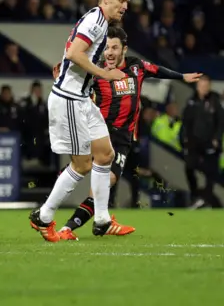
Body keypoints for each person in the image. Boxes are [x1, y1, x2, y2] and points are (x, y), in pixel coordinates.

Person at [55, 26, 202, 240]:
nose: (110, 53)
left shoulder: (137, 67)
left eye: (114, 47)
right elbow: (74, 85)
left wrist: (182, 77)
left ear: (124, 48)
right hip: (99, 134)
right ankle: (60, 220)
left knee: (105, 185)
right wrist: (61, 78)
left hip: (123, 139)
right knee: (90, 177)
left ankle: (82, 226)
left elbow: (158, 70)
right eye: (106, 48)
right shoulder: (97, 72)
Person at [29, 0, 133, 242]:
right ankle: (43, 216)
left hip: (82, 98)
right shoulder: (95, 21)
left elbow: (73, 54)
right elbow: (75, 53)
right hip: (70, 100)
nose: (125, 6)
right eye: (121, 1)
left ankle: (101, 220)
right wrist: (104, 74)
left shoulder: (99, 21)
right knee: (82, 164)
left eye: (127, 2)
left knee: (105, 154)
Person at [181, 75, 224, 209]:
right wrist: (184, 138)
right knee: (189, 167)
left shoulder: (215, 101)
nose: (203, 88)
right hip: (194, 142)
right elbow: (186, 122)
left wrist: (216, 138)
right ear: (197, 86)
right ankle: (196, 195)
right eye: (201, 85)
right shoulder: (191, 101)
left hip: (210, 142)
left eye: (206, 86)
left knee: (210, 173)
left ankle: (207, 199)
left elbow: (221, 122)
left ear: (209, 86)